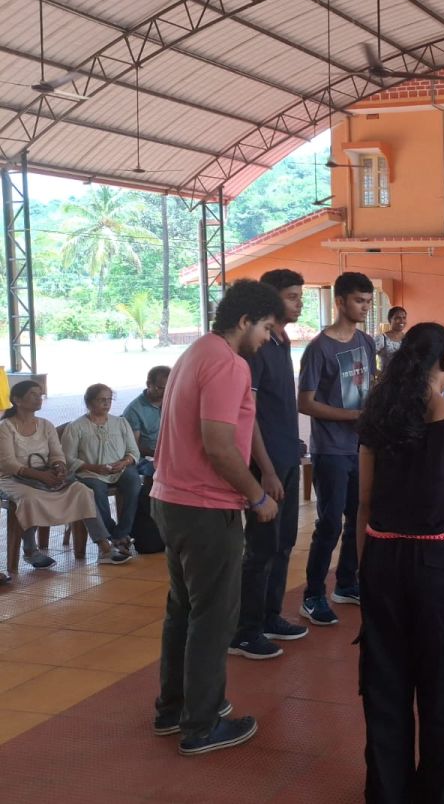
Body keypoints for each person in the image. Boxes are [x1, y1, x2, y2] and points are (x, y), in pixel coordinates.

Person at [355, 322, 444, 803]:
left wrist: (364, 569)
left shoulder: (377, 418)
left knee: (385, 680)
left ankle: (388, 790)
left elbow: (364, 504)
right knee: (442, 680)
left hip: (383, 558)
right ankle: (441, 789)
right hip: (441, 563)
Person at [150, 279, 282, 756]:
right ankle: (202, 725)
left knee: (183, 609)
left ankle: (174, 707)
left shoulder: (196, 353)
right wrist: (256, 496)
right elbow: (219, 445)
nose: (268, 338)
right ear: (244, 321)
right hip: (206, 507)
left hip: (170, 499)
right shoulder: (229, 363)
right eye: (266, 328)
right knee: (213, 618)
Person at [230, 269, 309, 660]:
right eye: (292, 296)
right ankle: (244, 631)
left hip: (286, 457)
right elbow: (250, 414)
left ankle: (269, 616)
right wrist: (268, 470)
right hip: (267, 465)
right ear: (271, 299)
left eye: (300, 296)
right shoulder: (257, 348)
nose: (299, 303)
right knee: (261, 548)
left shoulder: (281, 341)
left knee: (284, 543)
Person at [299, 271, 376, 627]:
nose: (365, 307)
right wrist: (352, 415)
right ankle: (312, 594)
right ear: (340, 301)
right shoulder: (319, 348)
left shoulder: (366, 342)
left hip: (361, 447)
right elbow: (305, 403)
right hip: (330, 448)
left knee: (358, 518)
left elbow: (368, 387)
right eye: (359, 301)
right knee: (329, 523)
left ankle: (346, 583)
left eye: (368, 301)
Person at [0, 380, 130, 569]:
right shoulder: (5, 427)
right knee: (29, 498)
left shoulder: (45, 425)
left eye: (40, 394)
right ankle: (30, 550)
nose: (39, 398)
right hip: (12, 478)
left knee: (82, 491)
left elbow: (56, 453)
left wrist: (59, 467)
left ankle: (104, 548)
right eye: (33, 395)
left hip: (45, 474)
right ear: (17, 400)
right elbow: (7, 463)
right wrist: (41, 476)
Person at [61, 383, 142, 557]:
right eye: (101, 400)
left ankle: (122, 532)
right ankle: (112, 534)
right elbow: (68, 458)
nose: (106, 403)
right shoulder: (76, 427)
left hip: (120, 469)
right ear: (89, 403)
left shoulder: (120, 422)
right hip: (90, 471)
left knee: (134, 482)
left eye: (109, 399)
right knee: (96, 489)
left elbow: (134, 452)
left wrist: (124, 462)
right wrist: (94, 467)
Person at [124, 365, 169, 476]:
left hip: (169, 453)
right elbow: (133, 447)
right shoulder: (134, 410)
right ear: (149, 384)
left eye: (170, 387)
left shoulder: (171, 401)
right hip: (145, 458)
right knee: (161, 470)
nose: (167, 391)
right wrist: (160, 454)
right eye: (162, 388)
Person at [374, 305, 407, 373]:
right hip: (387, 378)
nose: (402, 321)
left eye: (404, 318)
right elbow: (368, 357)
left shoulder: (408, 338)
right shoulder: (382, 338)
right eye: (398, 318)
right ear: (390, 320)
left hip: (406, 378)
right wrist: (376, 372)